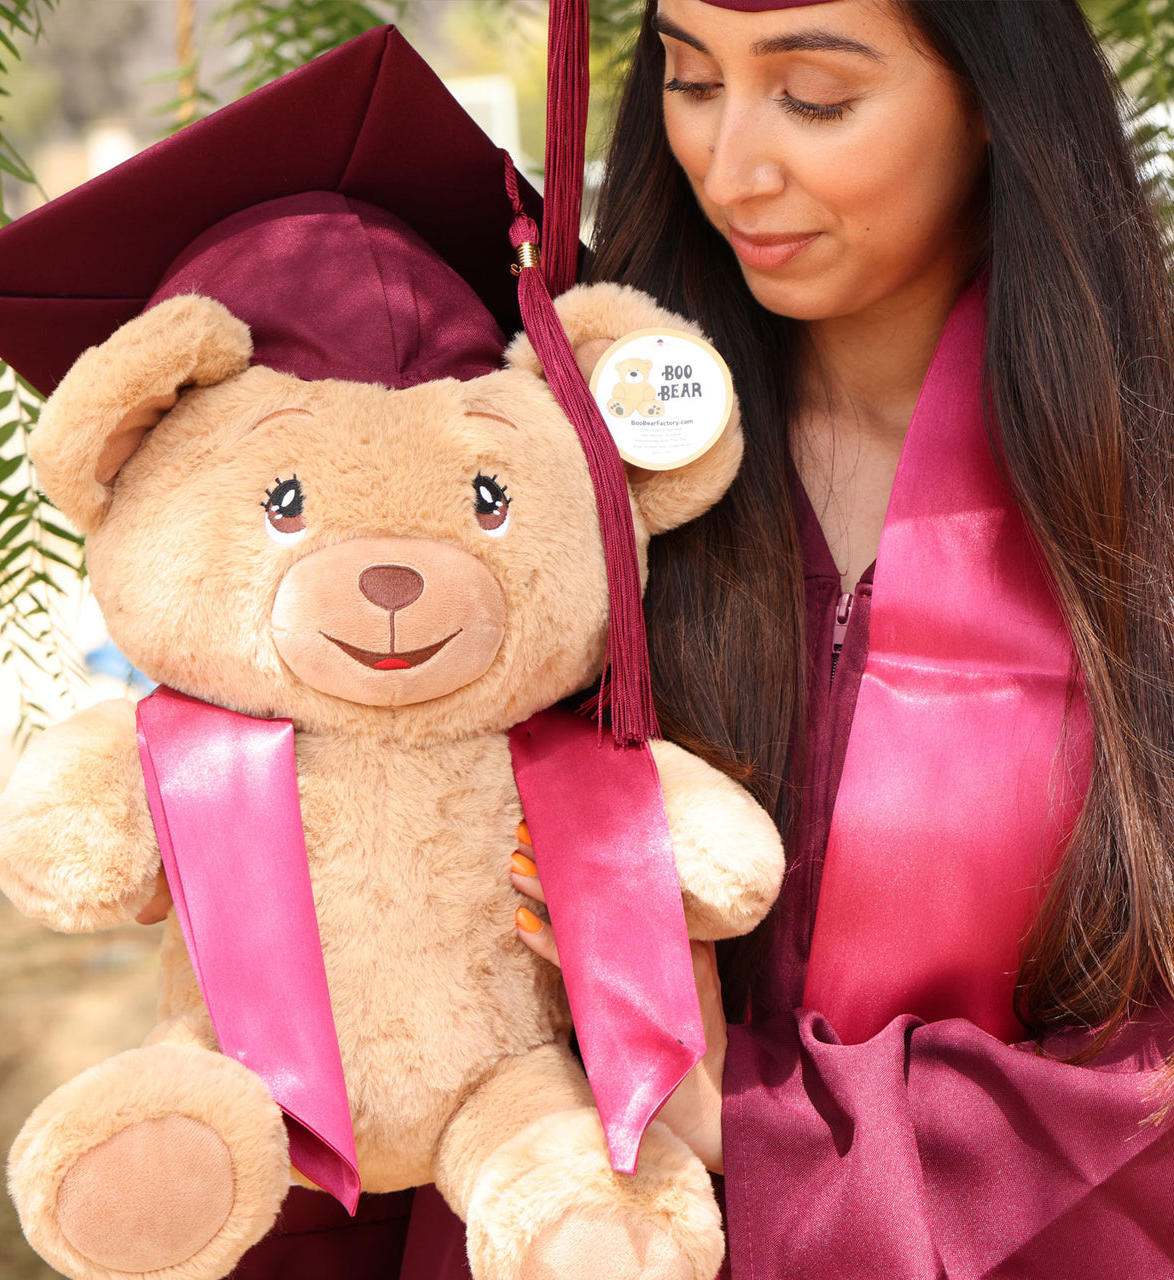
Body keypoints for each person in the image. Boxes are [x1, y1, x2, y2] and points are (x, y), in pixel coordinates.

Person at [493, 0, 1174, 1276]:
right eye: (690, 82)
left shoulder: (1141, 504)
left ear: (992, 99)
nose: (729, 170)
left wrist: (742, 1121)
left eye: (813, 97)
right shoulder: (566, 463)